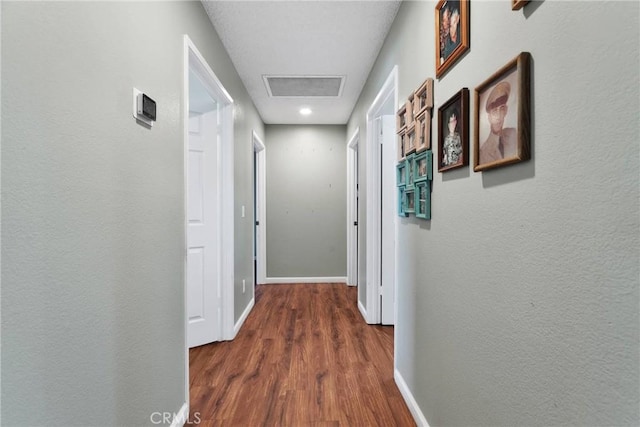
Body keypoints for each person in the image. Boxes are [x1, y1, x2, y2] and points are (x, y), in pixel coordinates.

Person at [479, 81, 517, 164]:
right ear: (489, 117)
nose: (499, 116)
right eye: (494, 111)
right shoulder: (483, 152)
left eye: (502, 109)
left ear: (506, 111)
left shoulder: (513, 133)